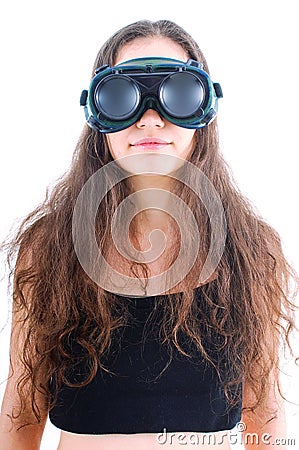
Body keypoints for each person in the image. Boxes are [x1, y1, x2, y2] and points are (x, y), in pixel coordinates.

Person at [0, 19, 298, 450]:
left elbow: (264, 411)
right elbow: (23, 407)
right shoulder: (49, 249)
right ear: (97, 113)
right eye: (124, 97)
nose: (151, 119)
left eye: (177, 94)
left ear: (204, 108)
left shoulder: (253, 252)